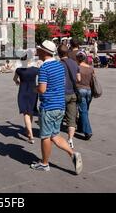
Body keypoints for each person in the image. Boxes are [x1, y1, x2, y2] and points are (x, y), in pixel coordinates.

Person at [31, 40, 83, 174]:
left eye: (39, 50)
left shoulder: (44, 68)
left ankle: (44, 163)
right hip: (60, 105)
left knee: (45, 137)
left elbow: (42, 89)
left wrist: (34, 88)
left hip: (49, 106)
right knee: (55, 135)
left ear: (44, 52)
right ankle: (73, 154)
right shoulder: (59, 65)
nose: (37, 51)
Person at [58, 44, 81, 149]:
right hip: (72, 93)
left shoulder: (58, 64)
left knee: (58, 116)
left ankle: (56, 137)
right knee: (72, 118)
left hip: (61, 94)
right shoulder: (74, 63)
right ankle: (70, 139)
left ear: (58, 54)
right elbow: (78, 79)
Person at [13, 53, 39, 144]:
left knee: (26, 113)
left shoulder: (19, 70)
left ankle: (30, 136)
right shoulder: (35, 70)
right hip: (33, 92)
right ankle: (28, 130)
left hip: (23, 92)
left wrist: (18, 82)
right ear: (29, 60)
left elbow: (14, 79)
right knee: (30, 112)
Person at [76, 51, 94, 140]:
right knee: (85, 110)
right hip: (89, 91)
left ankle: (88, 131)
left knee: (83, 111)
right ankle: (80, 127)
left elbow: (76, 80)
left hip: (80, 90)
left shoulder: (77, 68)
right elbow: (93, 80)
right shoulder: (91, 68)